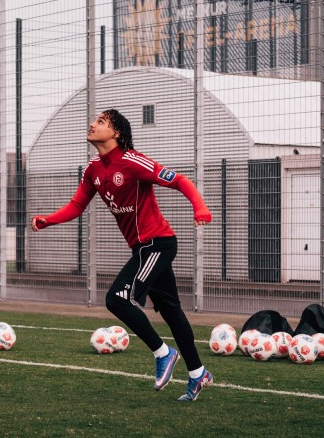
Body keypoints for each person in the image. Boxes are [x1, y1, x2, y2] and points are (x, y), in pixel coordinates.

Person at [30, 109, 213, 402]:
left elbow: (180, 180)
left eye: (101, 121)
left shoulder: (133, 161)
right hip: (143, 249)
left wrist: (199, 207)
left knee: (117, 299)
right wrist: (48, 220)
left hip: (158, 244)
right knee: (170, 311)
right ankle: (198, 373)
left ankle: (163, 354)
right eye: (94, 120)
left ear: (116, 133)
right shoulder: (93, 169)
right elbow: (77, 206)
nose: (92, 124)